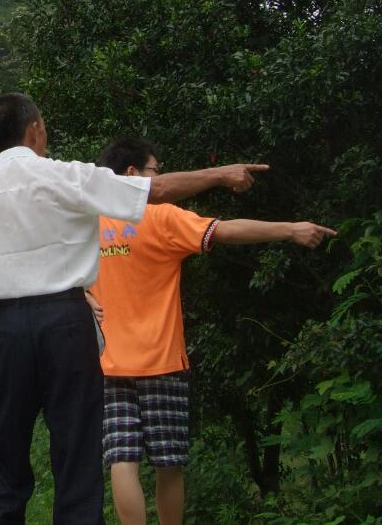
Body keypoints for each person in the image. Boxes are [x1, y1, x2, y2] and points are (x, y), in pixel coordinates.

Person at [0, 93, 270, 525]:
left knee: (3, 459)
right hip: (65, 322)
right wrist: (221, 174)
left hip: (5, 329)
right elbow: (155, 189)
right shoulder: (64, 176)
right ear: (34, 130)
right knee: (77, 455)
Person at [88, 137, 336, 525]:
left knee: (122, 459)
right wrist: (289, 229)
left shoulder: (89, 224)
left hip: (107, 363)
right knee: (168, 463)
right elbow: (225, 231)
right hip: (161, 359)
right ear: (133, 174)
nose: (160, 177)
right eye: (156, 170)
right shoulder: (160, 217)